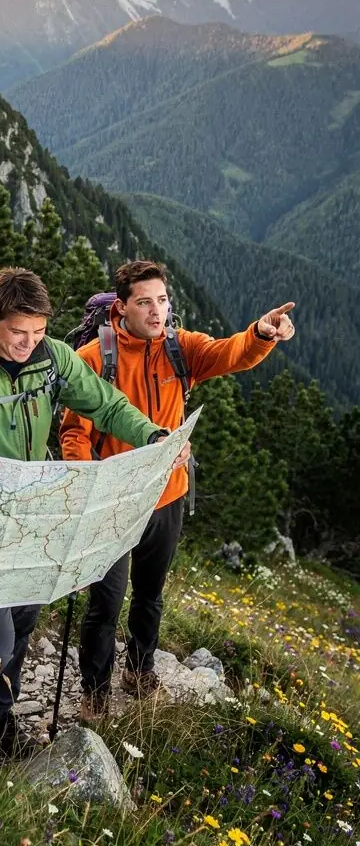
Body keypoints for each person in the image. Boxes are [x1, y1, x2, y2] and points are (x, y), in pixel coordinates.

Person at [0, 266, 174, 765]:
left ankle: (1, 720)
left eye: (37, 332)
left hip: (31, 514)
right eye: (17, 333)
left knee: (25, 623)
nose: (28, 343)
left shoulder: (53, 359)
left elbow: (107, 406)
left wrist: (151, 435)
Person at [59, 259, 295, 720]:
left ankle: (140, 668)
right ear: (121, 307)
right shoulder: (94, 359)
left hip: (167, 495)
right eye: (144, 302)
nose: (156, 312)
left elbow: (229, 353)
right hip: (114, 500)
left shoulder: (178, 349)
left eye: (162, 301)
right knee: (105, 602)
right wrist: (87, 484)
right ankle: (95, 690)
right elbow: (74, 433)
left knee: (150, 592)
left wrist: (261, 334)